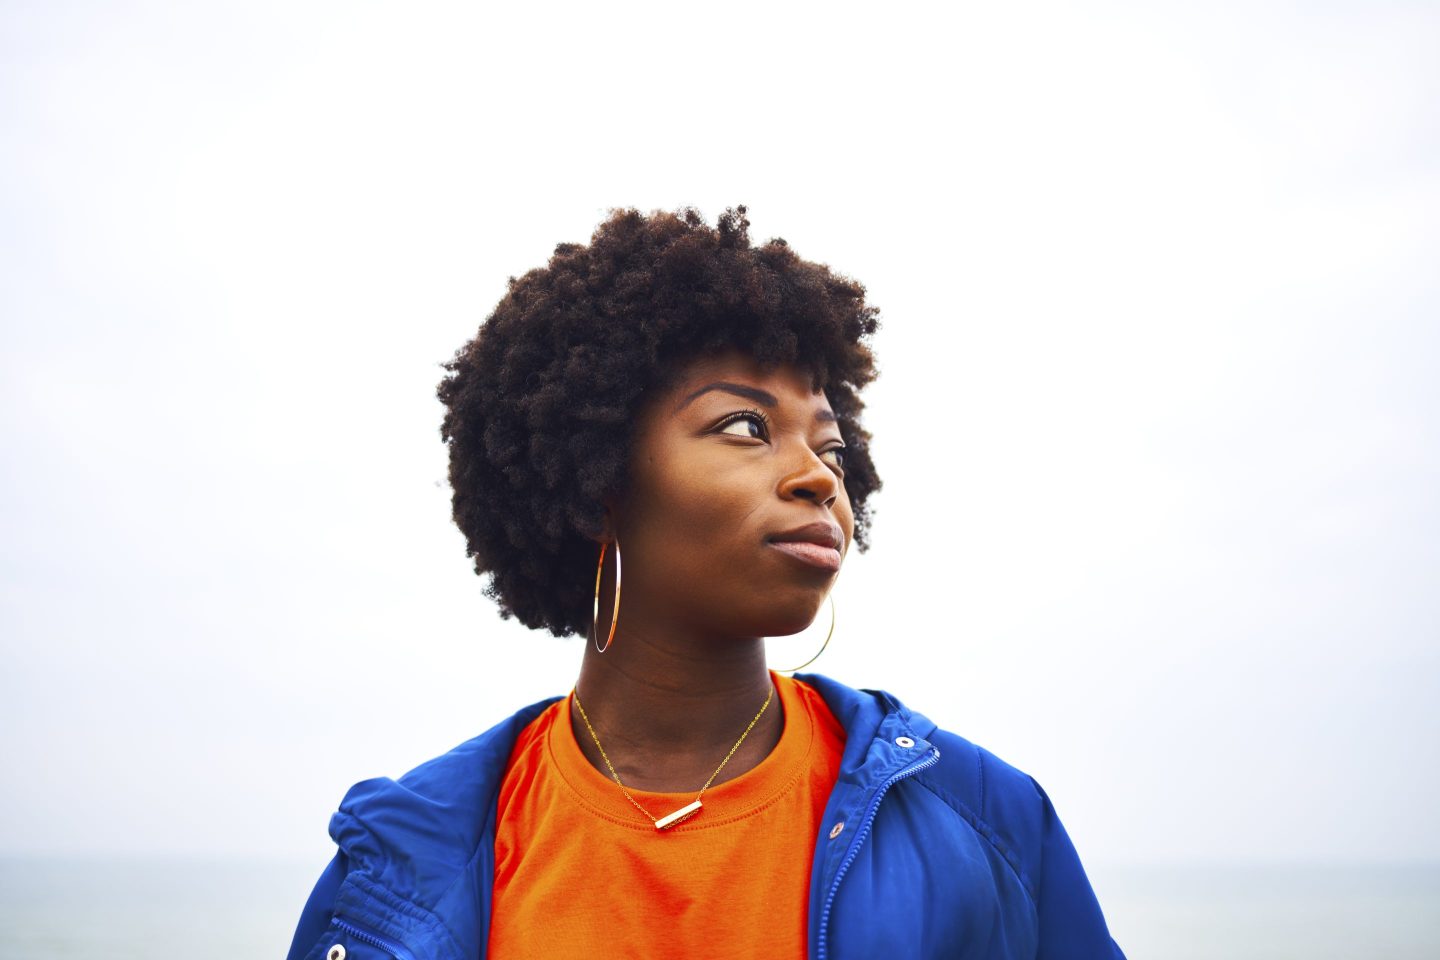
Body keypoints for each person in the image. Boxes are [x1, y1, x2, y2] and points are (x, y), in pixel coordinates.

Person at [285, 207, 1126, 960]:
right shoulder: (398, 862)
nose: (819, 478)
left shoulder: (988, 822)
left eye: (831, 448)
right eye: (746, 426)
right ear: (597, 481)